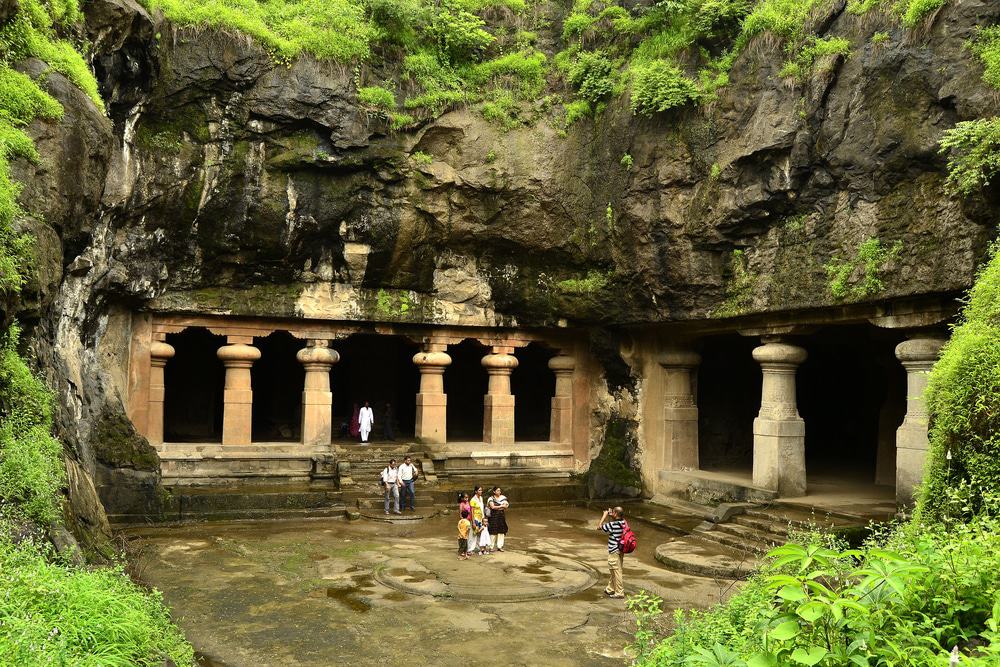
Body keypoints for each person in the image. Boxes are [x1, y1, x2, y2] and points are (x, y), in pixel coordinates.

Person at [598, 506, 626, 599]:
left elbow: (599, 527)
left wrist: (604, 515)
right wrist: (611, 515)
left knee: (616, 572)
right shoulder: (623, 522)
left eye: (613, 512)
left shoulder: (613, 525)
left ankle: (619, 592)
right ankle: (610, 588)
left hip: (614, 550)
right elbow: (613, 523)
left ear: (616, 514)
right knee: (615, 570)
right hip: (620, 550)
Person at [487, 487, 509, 552]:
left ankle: (500, 546)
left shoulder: (503, 497)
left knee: (501, 531)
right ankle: (491, 547)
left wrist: (498, 507)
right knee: (493, 531)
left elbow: (506, 506)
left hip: (501, 516)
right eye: (497, 490)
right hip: (493, 517)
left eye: (500, 490)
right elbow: (492, 507)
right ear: (494, 491)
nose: (499, 492)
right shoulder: (491, 498)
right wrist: (501, 506)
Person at [470, 486, 490, 555]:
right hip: (475, 519)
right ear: (475, 491)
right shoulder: (473, 500)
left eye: (481, 490)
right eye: (479, 490)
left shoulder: (481, 498)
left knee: (480, 533)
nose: (481, 491)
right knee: (474, 534)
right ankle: (471, 549)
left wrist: (483, 518)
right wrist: (473, 522)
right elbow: (472, 511)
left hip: (481, 518)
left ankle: (479, 548)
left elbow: (482, 508)